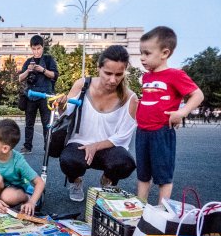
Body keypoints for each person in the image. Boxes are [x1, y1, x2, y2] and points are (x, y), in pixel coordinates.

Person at [59, 45, 138, 202]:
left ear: (125, 71)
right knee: (68, 161)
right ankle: (76, 182)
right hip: (79, 144)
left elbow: (123, 136)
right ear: (98, 68)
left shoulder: (131, 98)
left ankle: (107, 179)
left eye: (118, 74)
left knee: (126, 163)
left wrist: (95, 146)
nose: (113, 80)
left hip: (109, 148)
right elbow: (66, 112)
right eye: (107, 73)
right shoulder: (82, 85)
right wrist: (61, 104)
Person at [136, 26, 204, 203]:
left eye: (147, 53)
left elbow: (198, 95)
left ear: (164, 53)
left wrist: (181, 112)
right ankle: (139, 206)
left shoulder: (175, 75)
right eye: (140, 53)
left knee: (163, 175)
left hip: (161, 132)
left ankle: (161, 210)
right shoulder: (146, 77)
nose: (142, 58)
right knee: (143, 174)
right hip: (142, 131)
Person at [0, 119, 45, 215]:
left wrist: (32, 202)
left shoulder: (18, 161)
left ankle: (26, 197)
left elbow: (39, 182)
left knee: (8, 197)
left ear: (5, 148)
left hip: (16, 189)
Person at [18, 35, 59, 155]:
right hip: (31, 96)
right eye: (34, 49)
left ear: (43, 47)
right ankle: (27, 146)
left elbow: (55, 75)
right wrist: (28, 70)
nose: (36, 51)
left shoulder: (48, 59)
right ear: (31, 48)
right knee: (29, 123)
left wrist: (43, 70)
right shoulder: (28, 62)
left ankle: (48, 147)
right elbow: (20, 78)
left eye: (38, 48)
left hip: (45, 96)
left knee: (47, 124)